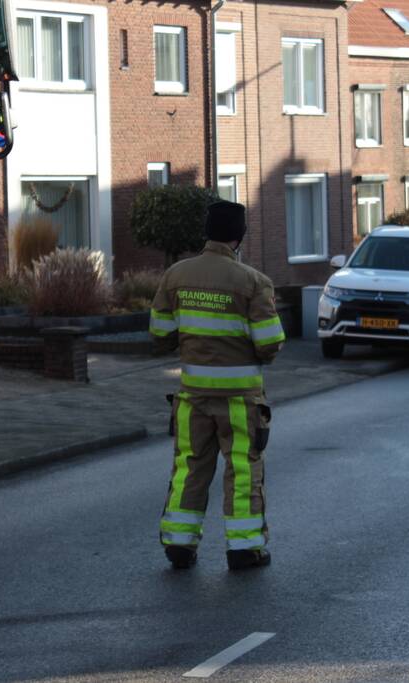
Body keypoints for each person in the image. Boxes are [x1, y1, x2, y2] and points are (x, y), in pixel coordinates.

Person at [150, 201, 285, 571]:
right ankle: (244, 550)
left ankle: (179, 545)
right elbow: (270, 343)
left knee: (189, 469)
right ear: (239, 236)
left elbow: (160, 334)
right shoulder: (254, 283)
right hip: (240, 402)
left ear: (206, 232)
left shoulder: (175, 276)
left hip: (192, 399)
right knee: (242, 471)